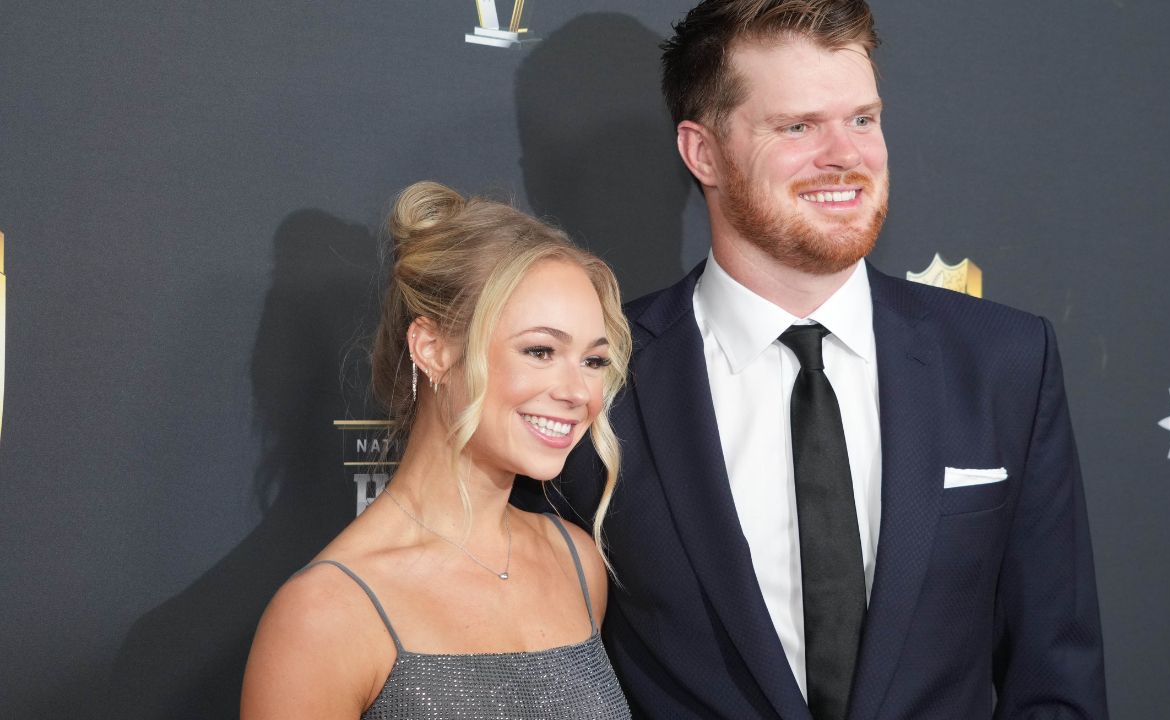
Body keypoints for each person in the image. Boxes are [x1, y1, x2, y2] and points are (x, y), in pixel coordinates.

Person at [537, 1, 1108, 718]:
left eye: (863, 119)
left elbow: (1054, 678)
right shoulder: (601, 375)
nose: (847, 154)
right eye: (798, 126)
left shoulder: (1002, 362)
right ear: (702, 152)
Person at [242, 181, 633, 719]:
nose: (578, 392)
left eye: (593, 361)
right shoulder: (326, 613)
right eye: (541, 350)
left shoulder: (575, 560)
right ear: (434, 349)